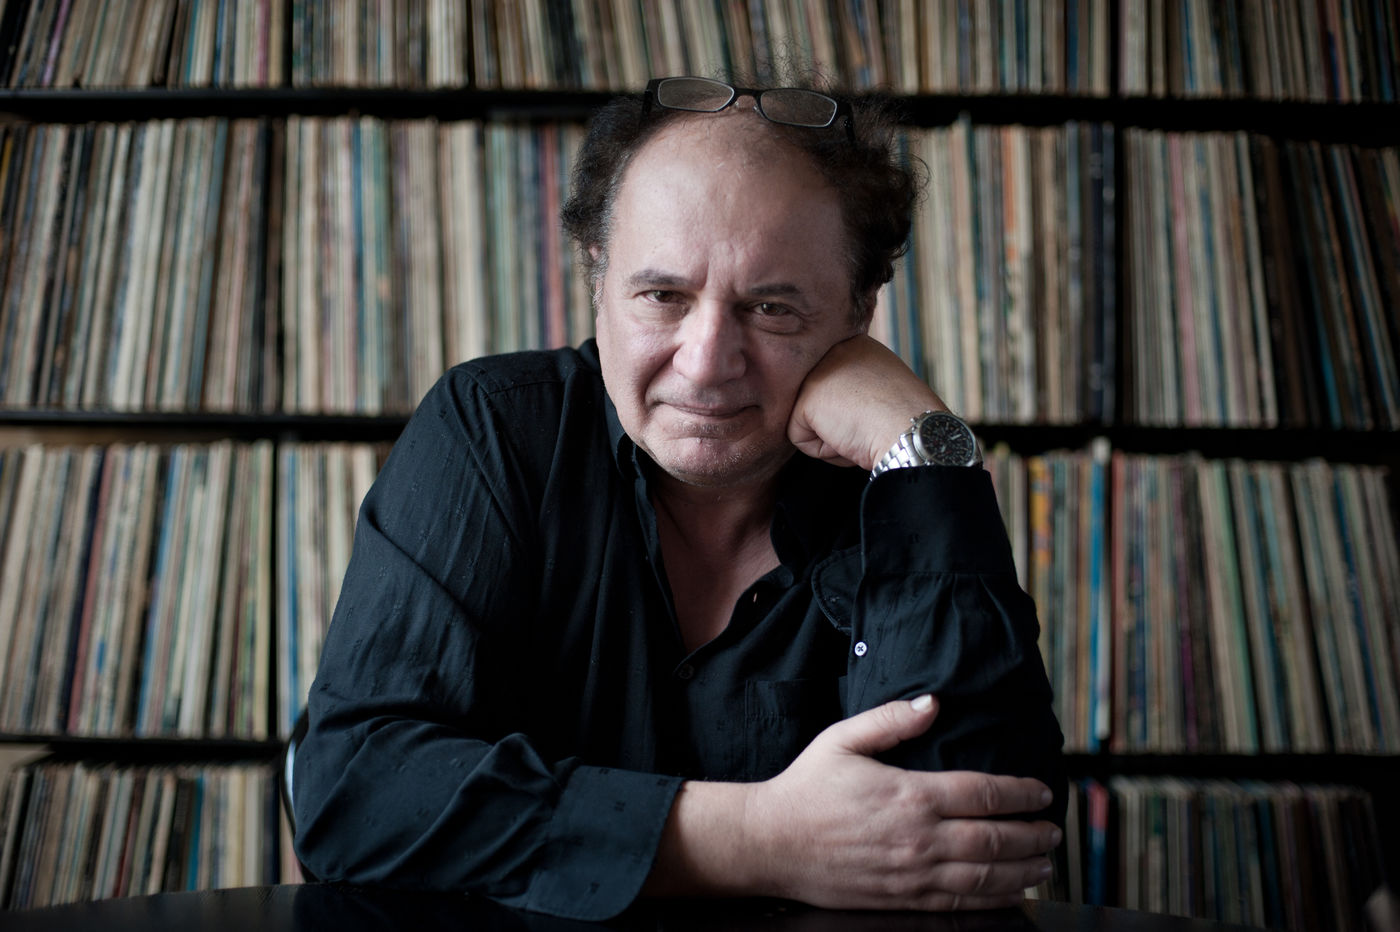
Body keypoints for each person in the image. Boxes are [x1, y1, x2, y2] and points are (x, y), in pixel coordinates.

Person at [293, 74, 1067, 921]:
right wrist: (759, 837)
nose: (704, 363)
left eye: (771, 308)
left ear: (859, 311)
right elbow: (355, 793)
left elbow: (979, 833)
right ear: (597, 279)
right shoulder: (493, 431)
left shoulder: (899, 484)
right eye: (663, 296)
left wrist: (922, 450)